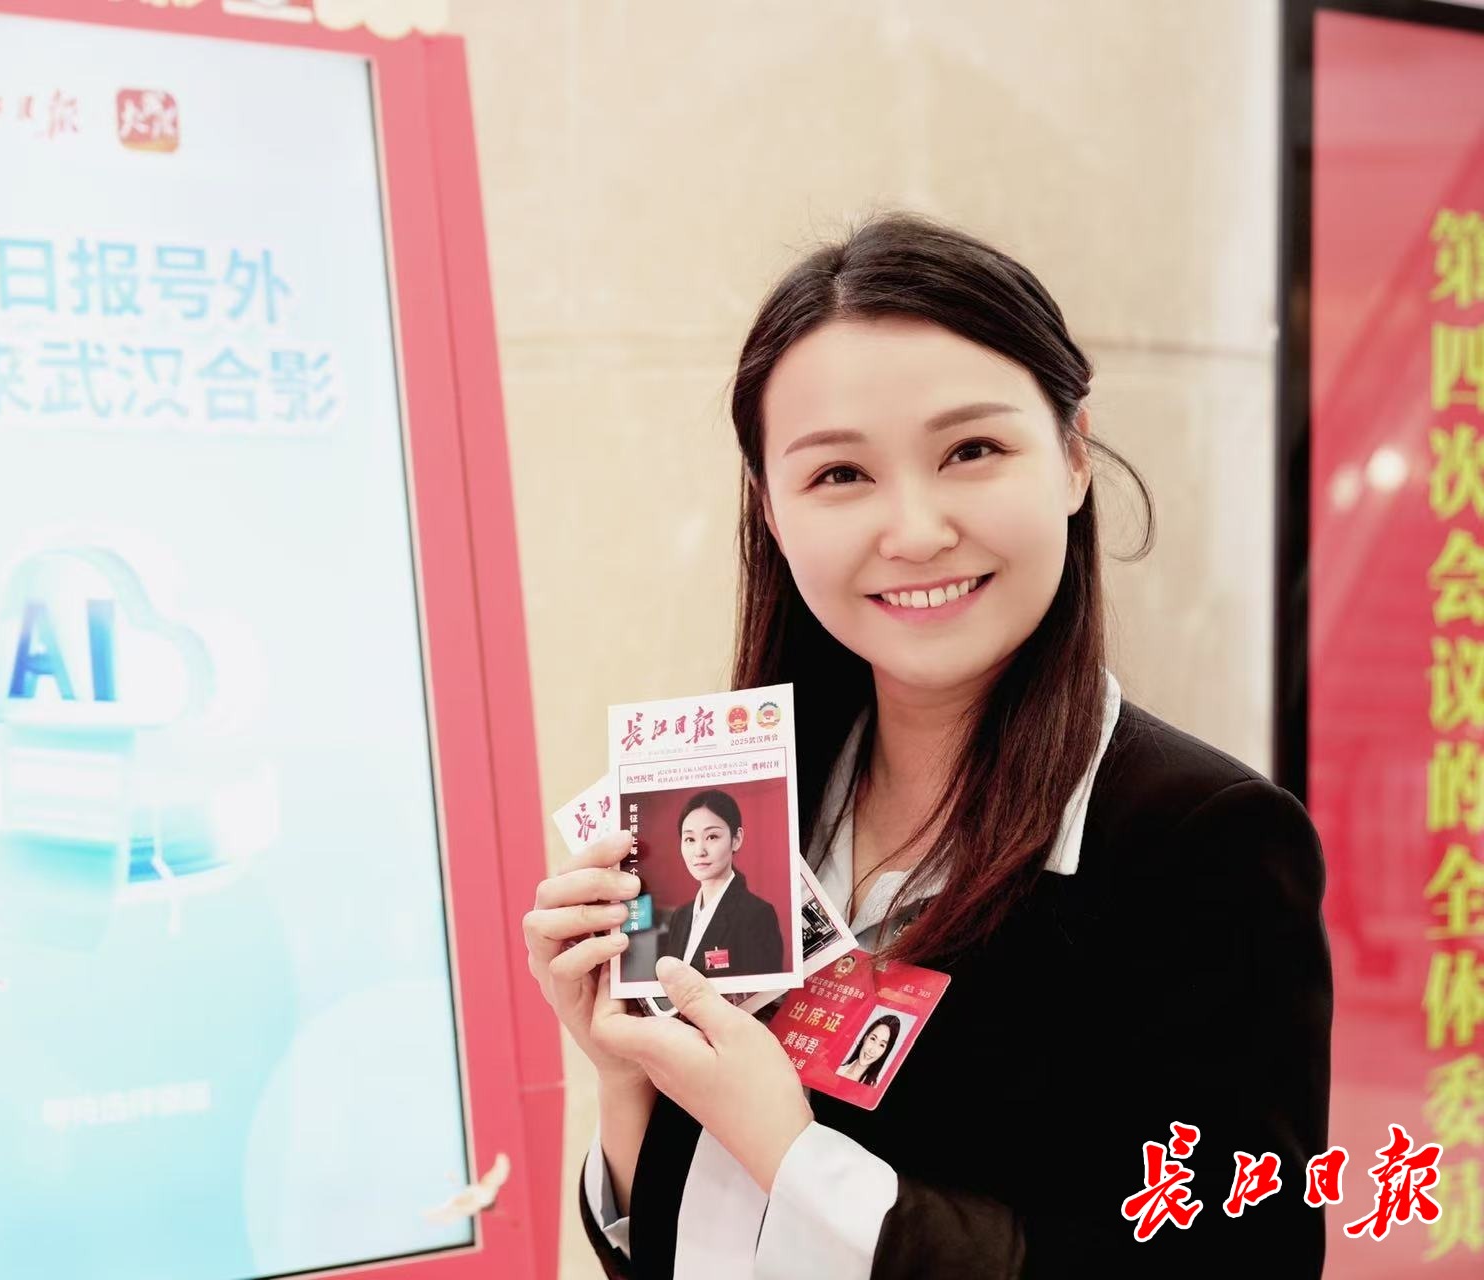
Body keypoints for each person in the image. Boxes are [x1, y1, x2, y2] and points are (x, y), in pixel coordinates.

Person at [518, 212, 1331, 1277]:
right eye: (839, 474)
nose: (914, 530)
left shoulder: (1203, 844)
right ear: (771, 509)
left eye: (972, 451)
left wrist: (795, 1157)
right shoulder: (756, 807)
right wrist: (626, 1075)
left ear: (1073, 456)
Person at [652, 789, 785, 979]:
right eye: (690, 839)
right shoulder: (680, 916)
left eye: (712, 837)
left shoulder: (756, 915)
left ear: (736, 839)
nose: (699, 851)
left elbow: (764, 992)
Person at [835, 1014, 902, 1086]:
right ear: (865, 1038)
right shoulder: (836, 1068)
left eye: (882, 1045)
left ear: (885, 1051)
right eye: (873, 1039)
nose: (872, 1050)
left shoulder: (873, 1088)